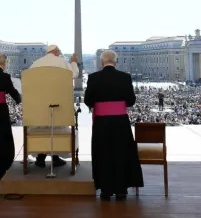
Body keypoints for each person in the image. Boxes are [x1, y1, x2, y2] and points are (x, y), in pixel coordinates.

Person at [85, 50, 143, 201]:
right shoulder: (125, 77)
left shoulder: (93, 78)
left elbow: (87, 101)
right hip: (120, 122)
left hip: (101, 123)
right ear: (115, 62)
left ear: (102, 62)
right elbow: (130, 101)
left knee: (103, 154)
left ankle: (105, 190)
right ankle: (121, 190)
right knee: (121, 154)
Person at [29, 44, 78, 168]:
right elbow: (74, 74)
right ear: (55, 51)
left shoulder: (36, 63)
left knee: (41, 128)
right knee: (56, 128)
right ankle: (55, 157)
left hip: (39, 104)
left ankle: (40, 158)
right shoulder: (61, 62)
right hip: (57, 103)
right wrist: (73, 62)